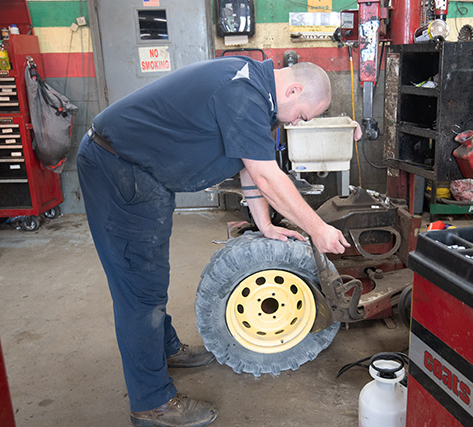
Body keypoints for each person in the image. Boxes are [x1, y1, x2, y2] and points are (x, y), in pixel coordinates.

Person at [76, 56, 361, 427]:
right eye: (303, 115)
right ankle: (151, 403)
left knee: (150, 274)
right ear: (293, 91)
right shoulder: (243, 92)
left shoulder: (257, 91)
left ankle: (164, 348)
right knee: (137, 289)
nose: (297, 123)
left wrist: (265, 224)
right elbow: (266, 174)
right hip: (118, 168)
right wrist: (317, 227)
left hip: (145, 175)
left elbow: (247, 164)